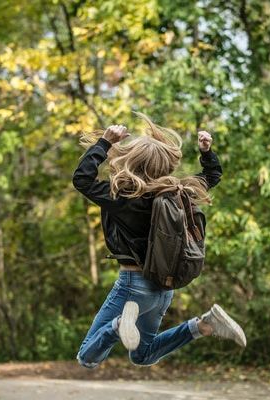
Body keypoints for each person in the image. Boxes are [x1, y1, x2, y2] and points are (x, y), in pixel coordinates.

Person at [72, 113, 246, 369]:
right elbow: (212, 176)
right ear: (164, 164)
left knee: (87, 357)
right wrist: (206, 152)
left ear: (132, 160)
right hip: (163, 289)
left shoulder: (122, 196)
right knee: (143, 355)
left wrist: (105, 143)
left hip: (133, 286)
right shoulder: (178, 193)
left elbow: (82, 180)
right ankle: (204, 325)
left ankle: (120, 325)